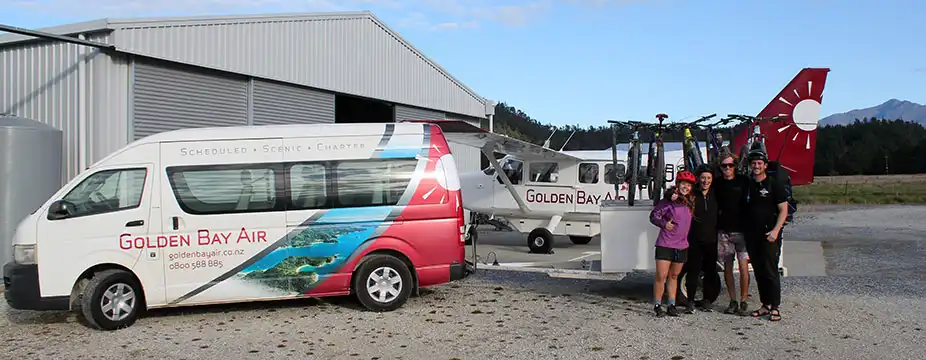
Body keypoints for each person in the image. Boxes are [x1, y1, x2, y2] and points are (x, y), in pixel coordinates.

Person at [742, 149, 788, 322]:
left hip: (769, 234)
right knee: (759, 271)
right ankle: (765, 304)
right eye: (753, 163)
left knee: (770, 271)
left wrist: (776, 231)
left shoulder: (773, 184)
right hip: (752, 235)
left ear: (765, 165)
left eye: (759, 163)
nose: (756, 166)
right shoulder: (748, 185)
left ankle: (775, 307)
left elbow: (783, 210)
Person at [649, 171, 697, 317]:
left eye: (688, 185)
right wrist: (664, 224)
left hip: (681, 245)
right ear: (678, 185)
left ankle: (671, 304)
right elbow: (654, 216)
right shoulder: (669, 201)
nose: (685, 187)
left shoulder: (690, 202)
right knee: (661, 276)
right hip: (665, 243)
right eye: (683, 184)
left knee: (674, 276)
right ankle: (657, 305)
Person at [714, 152, 751, 316]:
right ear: (720, 167)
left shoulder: (744, 181)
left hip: (742, 231)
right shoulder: (717, 183)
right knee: (727, 267)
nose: (727, 168)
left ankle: (744, 300)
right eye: (724, 165)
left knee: (743, 267)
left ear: (735, 166)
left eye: (730, 165)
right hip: (724, 232)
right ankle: (733, 300)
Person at [683, 164, 720, 314]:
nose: (706, 181)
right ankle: (690, 301)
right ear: (698, 179)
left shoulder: (716, 193)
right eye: (703, 178)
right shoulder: (692, 193)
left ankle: (707, 300)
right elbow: (675, 193)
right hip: (694, 239)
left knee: (710, 271)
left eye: (709, 178)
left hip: (711, 239)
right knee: (693, 270)